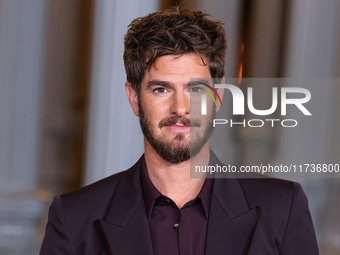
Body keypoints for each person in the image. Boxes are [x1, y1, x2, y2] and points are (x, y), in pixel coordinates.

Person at [40, 7, 319, 255]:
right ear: (134, 98)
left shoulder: (282, 209)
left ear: (218, 97)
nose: (180, 108)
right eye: (161, 89)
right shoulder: (74, 218)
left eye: (195, 89)